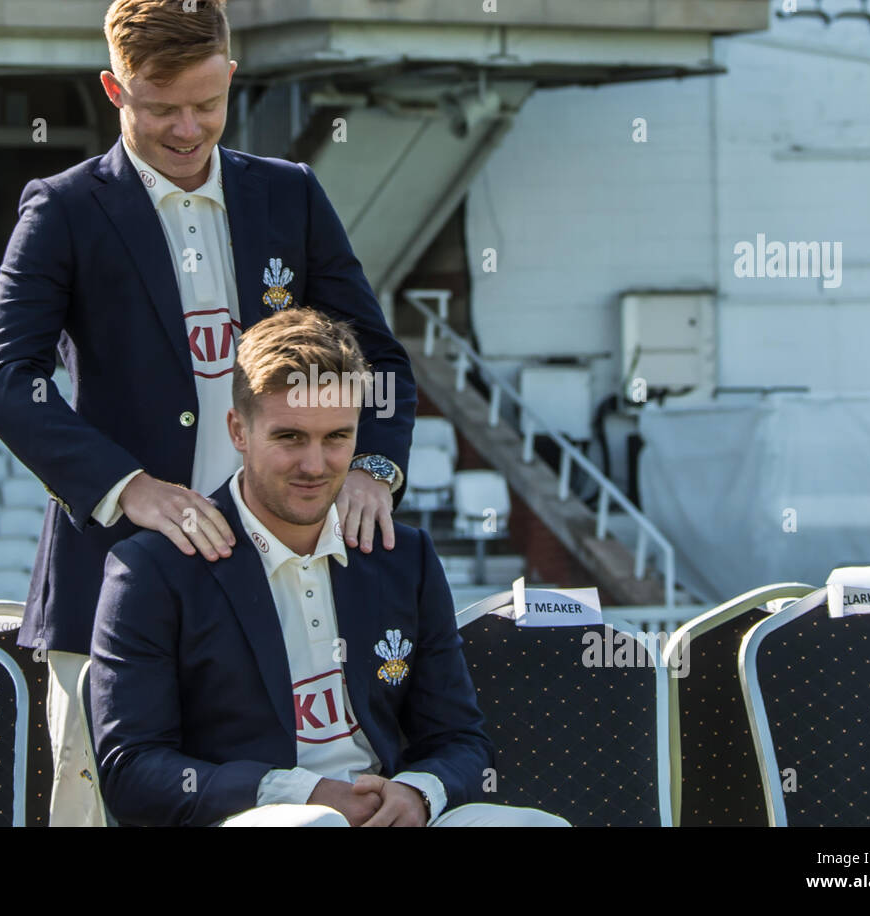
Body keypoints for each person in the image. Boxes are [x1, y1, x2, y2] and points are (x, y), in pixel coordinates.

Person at [0, 0, 416, 826]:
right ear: (114, 88)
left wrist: (372, 467)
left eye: (207, 105)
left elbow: (378, 356)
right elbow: (6, 379)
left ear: (230, 75)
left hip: (282, 577)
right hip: (115, 584)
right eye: (159, 106)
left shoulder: (288, 192)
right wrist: (127, 488)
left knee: (289, 809)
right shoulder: (62, 209)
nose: (187, 129)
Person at [90, 308, 569, 826]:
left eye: (336, 437)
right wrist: (300, 794)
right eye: (290, 437)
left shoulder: (403, 557)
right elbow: (131, 771)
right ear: (238, 430)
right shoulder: (151, 569)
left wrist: (417, 793)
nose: (315, 465)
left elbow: (460, 740)